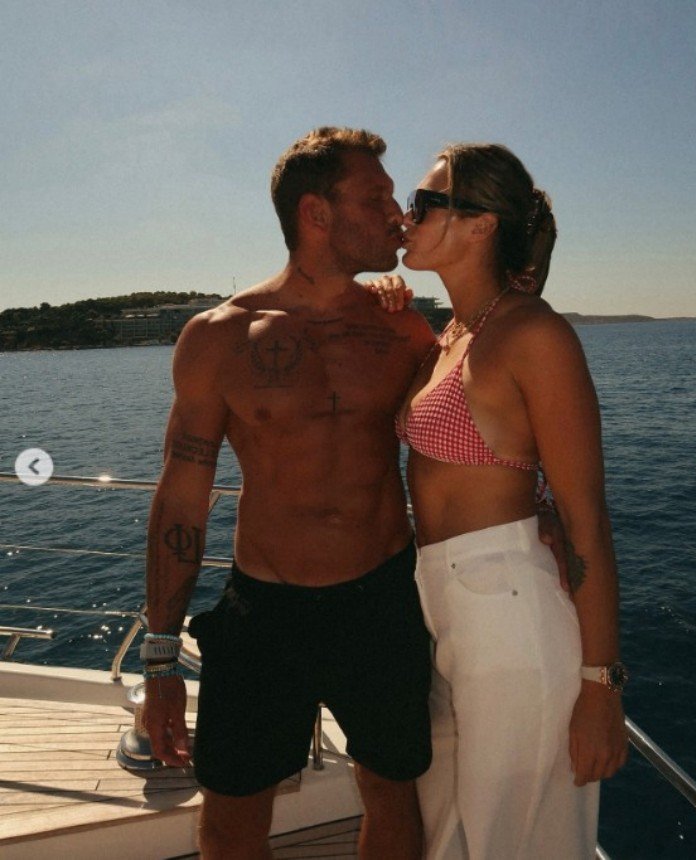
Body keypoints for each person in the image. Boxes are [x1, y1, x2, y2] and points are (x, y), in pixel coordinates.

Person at [142, 127, 438, 859]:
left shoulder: (404, 329)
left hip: (383, 600)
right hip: (265, 614)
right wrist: (160, 657)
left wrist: (541, 510)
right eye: (377, 196)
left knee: (393, 792)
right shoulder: (219, 337)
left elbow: (480, 426)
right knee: (231, 819)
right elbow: (182, 498)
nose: (398, 213)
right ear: (317, 212)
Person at [391, 144, 629, 858]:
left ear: (480, 225)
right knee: (448, 836)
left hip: (511, 619)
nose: (407, 216)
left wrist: (601, 687)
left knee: (516, 841)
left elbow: (586, 520)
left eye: (425, 202)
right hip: (443, 608)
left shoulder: (535, 335)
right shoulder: (452, 334)